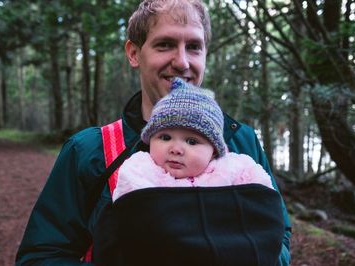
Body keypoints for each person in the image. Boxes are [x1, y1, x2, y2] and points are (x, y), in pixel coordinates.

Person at [15, 0, 292, 265]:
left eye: (194, 47)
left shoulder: (241, 141)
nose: (182, 62)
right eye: (165, 45)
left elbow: (279, 237)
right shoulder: (89, 151)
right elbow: (40, 257)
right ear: (134, 53)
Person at [112, 77, 274, 202]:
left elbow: (265, 207)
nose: (175, 149)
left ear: (214, 151)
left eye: (191, 141)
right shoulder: (140, 172)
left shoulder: (232, 172)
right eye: (165, 137)